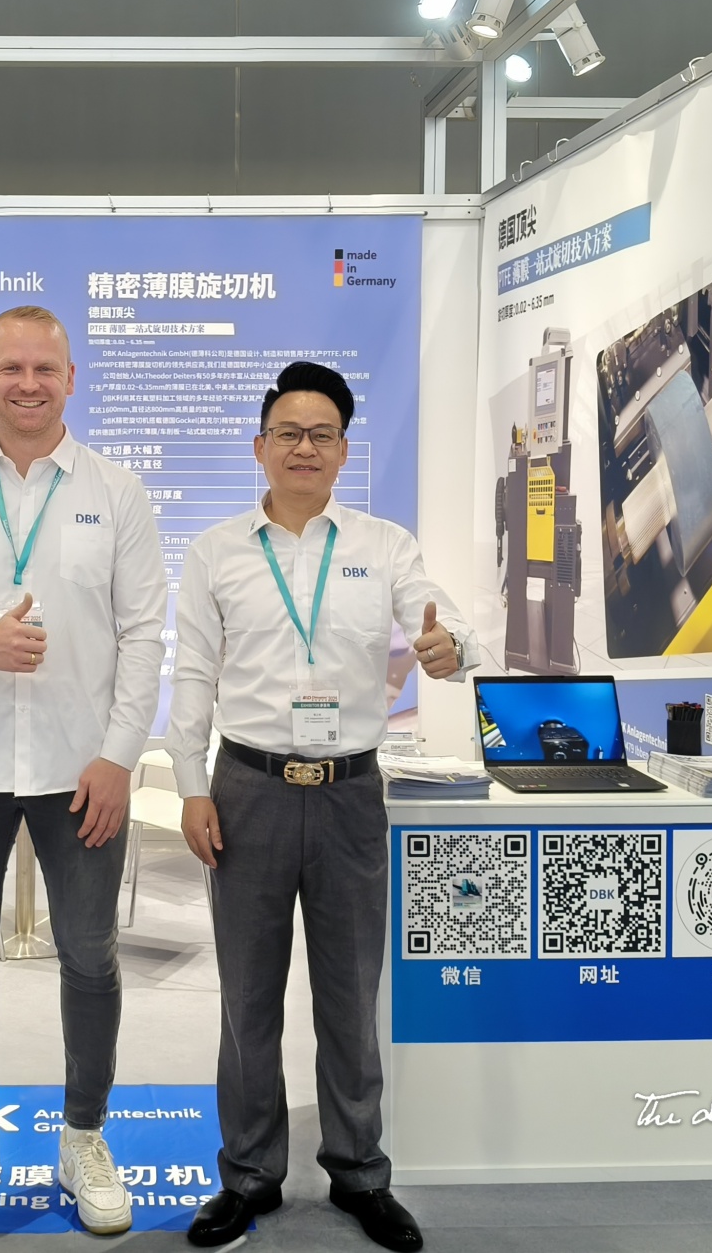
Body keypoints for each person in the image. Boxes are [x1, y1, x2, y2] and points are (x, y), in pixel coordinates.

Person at [165, 360, 477, 1253]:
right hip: (249, 790)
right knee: (247, 999)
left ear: (343, 450)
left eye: (322, 434)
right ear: (259, 446)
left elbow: (446, 624)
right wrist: (190, 785)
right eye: (288, 433)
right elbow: (194, 675)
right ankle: (248, 1174)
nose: (304, 448)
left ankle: (359, 1171)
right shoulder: (216, 552)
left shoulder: (385, 546)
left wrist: (451, 648)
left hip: (349, 797)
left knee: (348, 994)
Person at [0, 305, 168, 1235]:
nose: (27, 384)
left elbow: (144, 637)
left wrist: (120, 756)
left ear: (71, 379)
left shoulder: (117, 493)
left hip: (79, 766)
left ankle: (83, 1135)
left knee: (90, 958)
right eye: (9, 368)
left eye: (44, 368)